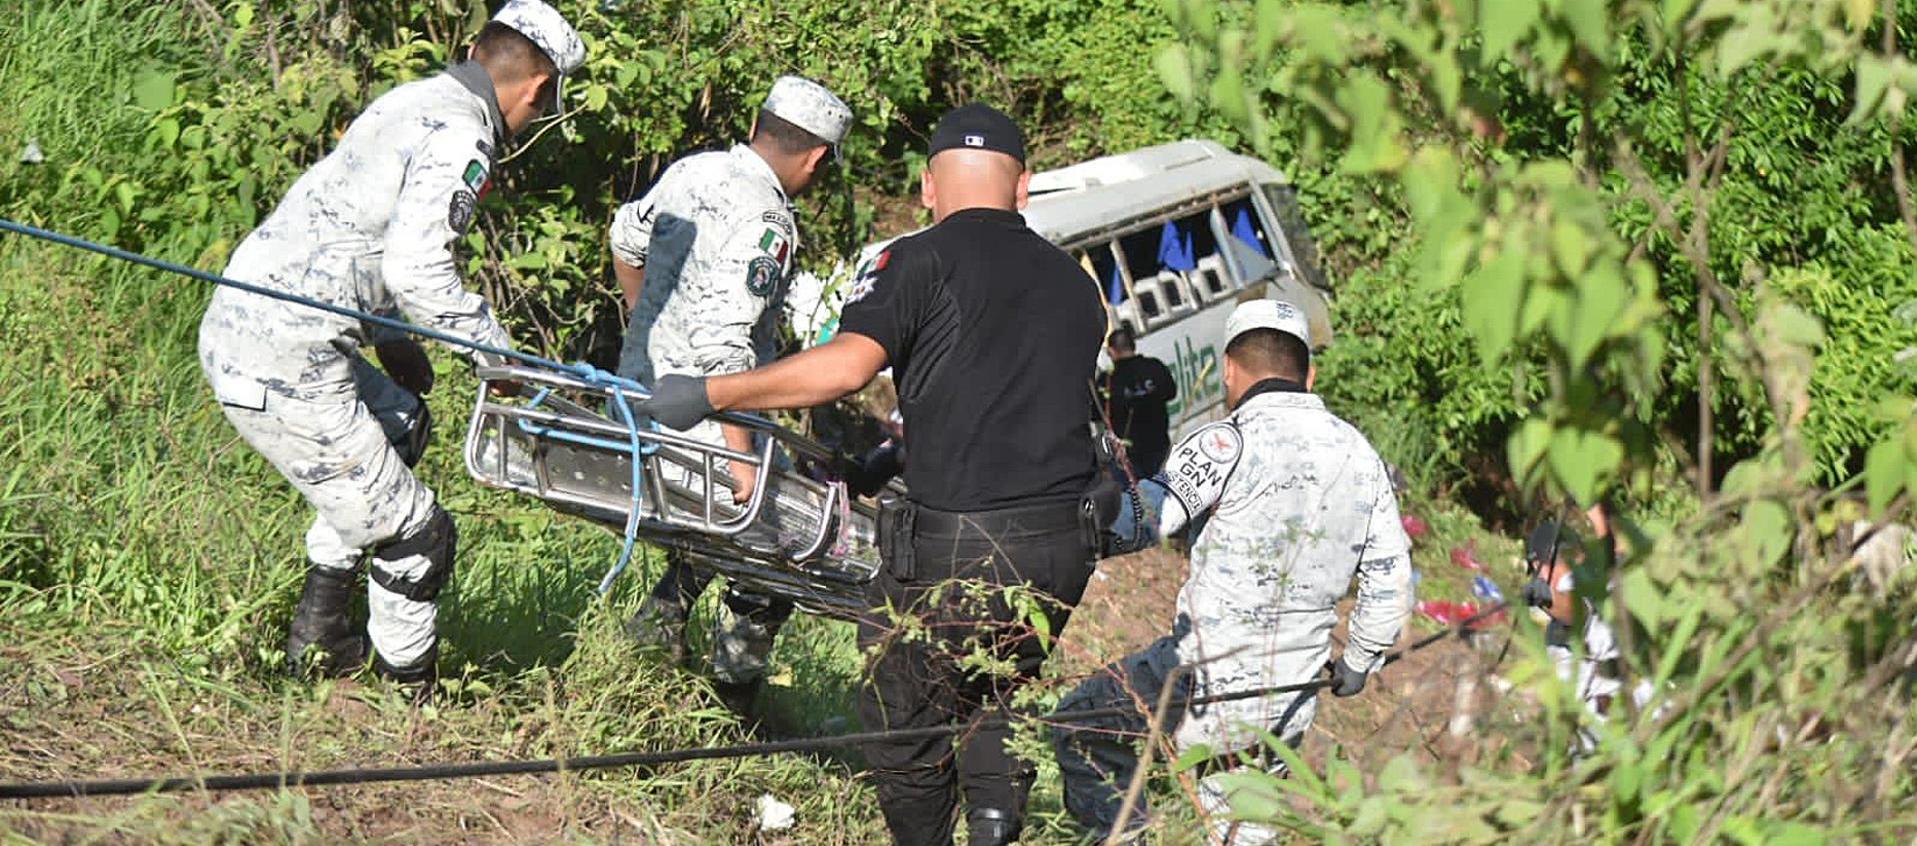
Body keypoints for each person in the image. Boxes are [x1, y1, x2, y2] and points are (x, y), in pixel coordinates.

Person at [640, 103, 1107, 846]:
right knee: (994, 682)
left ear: (927, 187)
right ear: (1023, 190)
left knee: (904, 719)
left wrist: (710, 392)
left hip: (958, 542)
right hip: (1061, 548)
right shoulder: (1076, 286)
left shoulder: (914, 258)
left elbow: (848, 366)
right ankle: (992, 824)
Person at [197, 1, 585, 695]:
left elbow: (354, 230)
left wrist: (394, 337)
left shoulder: (410, 100)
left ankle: (318, 636)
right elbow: (417, 269)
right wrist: (500, 360)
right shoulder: (464, 137)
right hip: (286, 358)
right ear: (539, 87)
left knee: (400, 423)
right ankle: (407, 696)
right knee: (421, 535)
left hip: (250, 324)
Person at [1052, 299, 1415, 843]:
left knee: (1082, 726)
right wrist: (1360, 659)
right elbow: (1390, 581)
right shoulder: (1359, 455)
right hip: (1293, 691)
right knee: (1242, 825)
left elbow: (1148, 519)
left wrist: (1088, 505)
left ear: (1228, 368)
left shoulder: (1227, 442)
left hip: (1206, 679)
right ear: (1309, 372)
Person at [607, 76, 852, 709]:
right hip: (706, 430)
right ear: (818, 158)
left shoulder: (695, 170)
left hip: (639, 404)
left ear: (757, 125)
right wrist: (744, 461)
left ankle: (656, 636)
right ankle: (731, 695)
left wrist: (645, 332)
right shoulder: (767, 220)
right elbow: (726, 350)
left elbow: (624, 238)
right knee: (786, 550)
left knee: (726, 533)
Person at [1101, 325, 1177, 477]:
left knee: (1134, 497)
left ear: (1111, 352)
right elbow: (1171, 393)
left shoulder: (1108, 380)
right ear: (1133, 345)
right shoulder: (1155, 367)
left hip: (1126, 455)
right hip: (1159, 445)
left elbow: (1096, 412)